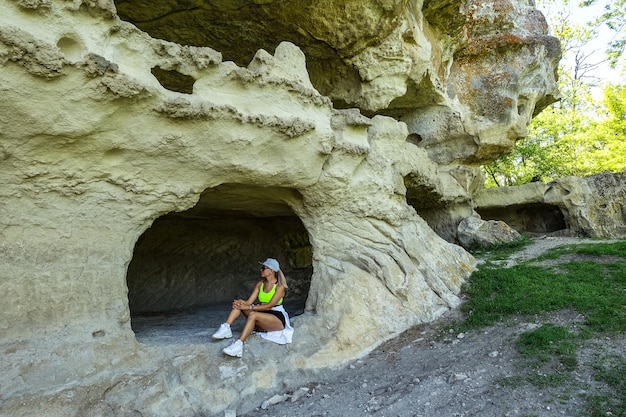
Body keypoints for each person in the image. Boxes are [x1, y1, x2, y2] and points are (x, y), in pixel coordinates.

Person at [212, 258, 293, 358]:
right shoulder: (260, 284)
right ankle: (226, 327)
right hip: (262, 314)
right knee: (240, 305)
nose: (261, 270)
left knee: (253, 314)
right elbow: (248, 302)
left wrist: (250, 307)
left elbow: (269, 306)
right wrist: (240, 303)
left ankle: (238, 345)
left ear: (271, 270)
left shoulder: (279, 287)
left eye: (263, 268)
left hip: (276, 316)